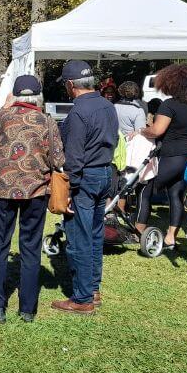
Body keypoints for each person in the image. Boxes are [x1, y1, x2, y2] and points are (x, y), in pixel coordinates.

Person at [0, 75, 65, 323]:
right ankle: (27, 309)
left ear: (14, 95)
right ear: (38, 96)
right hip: (35, 191)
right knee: (30, 248)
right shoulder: (47, 121)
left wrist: (5, 107)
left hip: (3, 190)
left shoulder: (4, 117)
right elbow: (58, 159)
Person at [50, 61, 118, 315]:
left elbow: (75, 156)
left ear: (70, 85)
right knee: (95, 233)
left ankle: (82, 298)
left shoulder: (79, 112)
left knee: (79, 237)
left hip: (85, 178)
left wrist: (68, 190)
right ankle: (93, 288)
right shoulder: (107, 105)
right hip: (103, 173)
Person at [135, 64, 187, 246]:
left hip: (172, 155)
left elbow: (157, 130)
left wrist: (141, 131)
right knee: (176, 194)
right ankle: (170, 238)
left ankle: (138, 231)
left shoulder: (169, 105)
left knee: (144, 189)